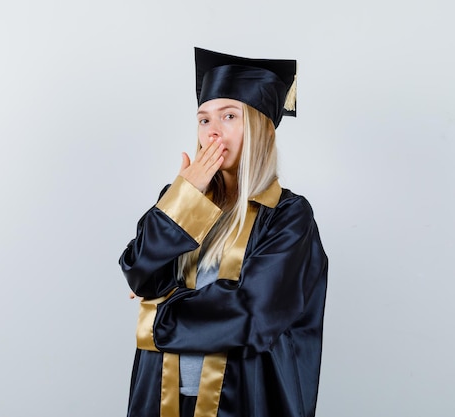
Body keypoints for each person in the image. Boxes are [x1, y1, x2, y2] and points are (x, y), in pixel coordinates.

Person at [118, 47, 328, 417]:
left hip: (243, 398)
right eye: (203, 120)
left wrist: (158, 312)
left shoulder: (287, 217)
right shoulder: (181, 200)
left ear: (260, 126)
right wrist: (182, 198)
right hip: (162, 396)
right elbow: (139, 272)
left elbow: (251, 315)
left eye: (229, 115)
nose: (211, 131)